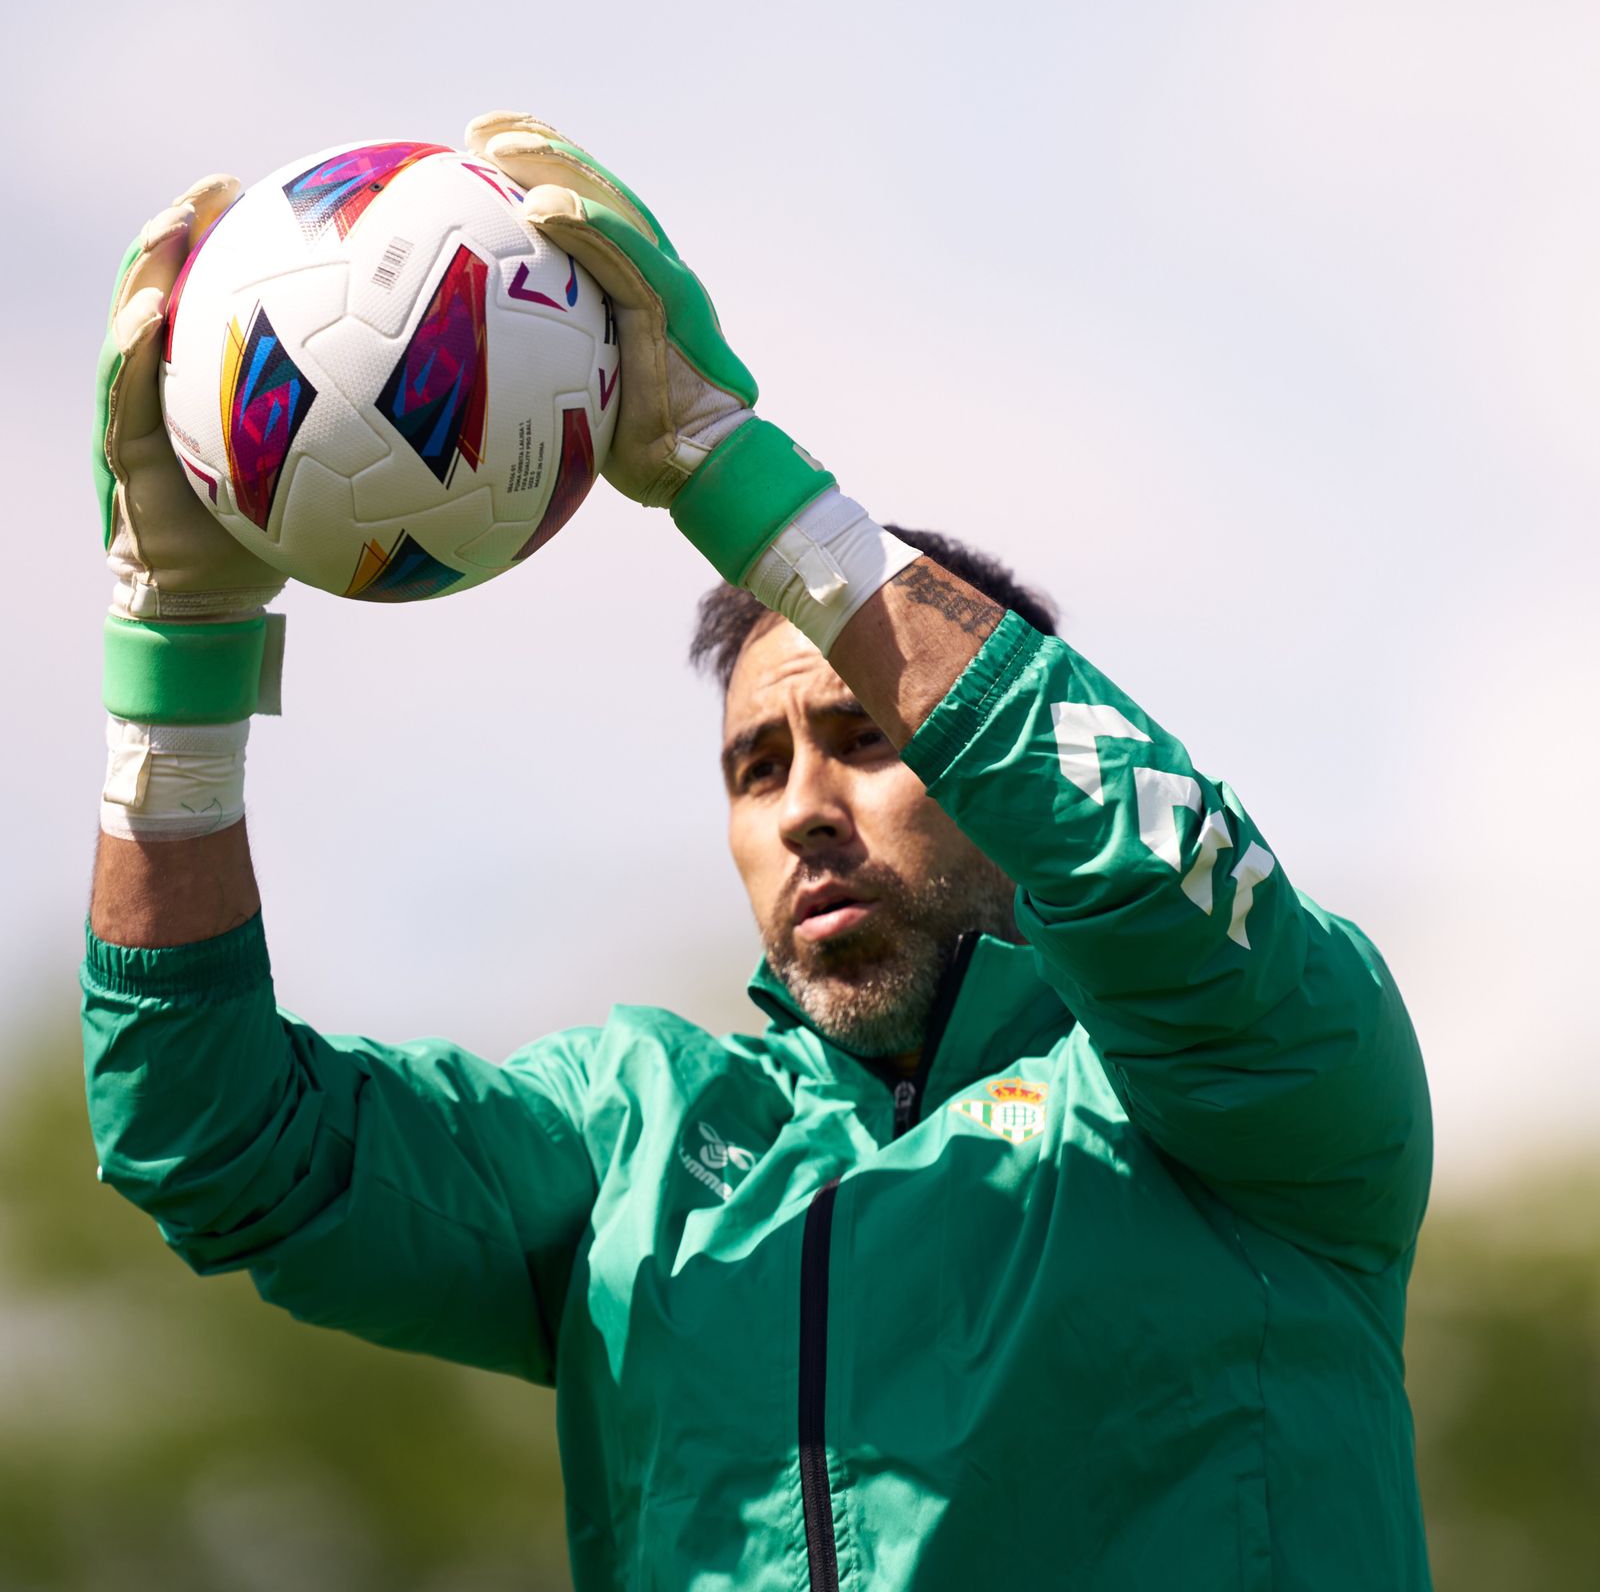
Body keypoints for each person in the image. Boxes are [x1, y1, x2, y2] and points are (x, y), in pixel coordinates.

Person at [82, 113, 1433, 1591]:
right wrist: (180, 656)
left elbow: (1146, 862)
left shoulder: (1261, 1088)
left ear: (993, 753)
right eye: (752, 766)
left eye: (863, 737)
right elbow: (211, 1139)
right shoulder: (637, 1139)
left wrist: (736, 476)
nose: (799, 807)